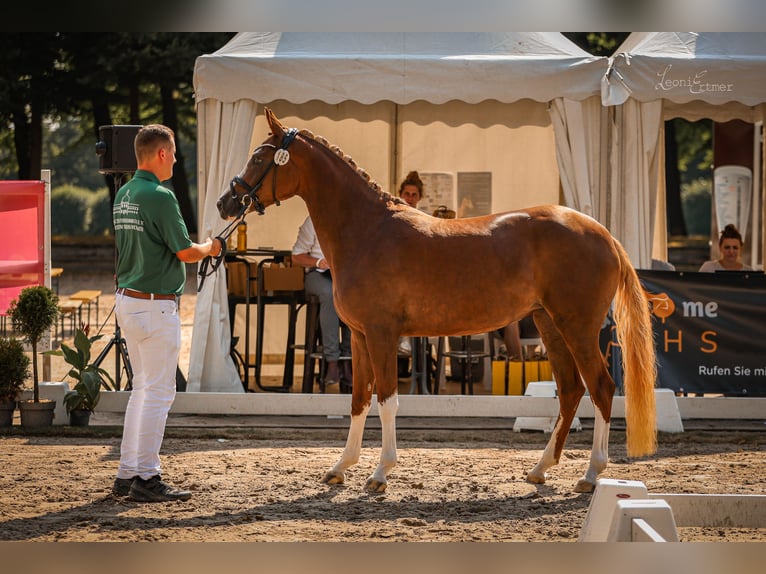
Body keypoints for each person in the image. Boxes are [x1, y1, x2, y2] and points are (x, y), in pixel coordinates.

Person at [111, 124, 223, 502]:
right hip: (155, 305)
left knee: (142, 390)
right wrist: (211, 246)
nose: (176, 158)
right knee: (158, 394)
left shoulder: (124, 193)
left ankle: (127, 473)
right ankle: (148, 476)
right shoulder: (161, 196)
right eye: (173, 152)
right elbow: (185, 251)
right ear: (160, 154)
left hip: (128, 299)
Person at [291, 215, 352, 387]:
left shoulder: (352, 216)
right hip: (317, 273)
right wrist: (319, 262)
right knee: (330, 294)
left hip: (344, 276)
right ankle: (332, 362)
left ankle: (348, 360)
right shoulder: (313, 221)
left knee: (353, 296)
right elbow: (296, 257)